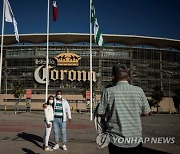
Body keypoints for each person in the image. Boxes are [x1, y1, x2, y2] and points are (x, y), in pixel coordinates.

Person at [96, 64, 151, 154]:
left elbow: (100, 113)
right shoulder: (139, 91)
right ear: (128, 77)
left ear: (113, 77)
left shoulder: (108, 92)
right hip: (135, 140)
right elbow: (146, 113)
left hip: (115, 140)